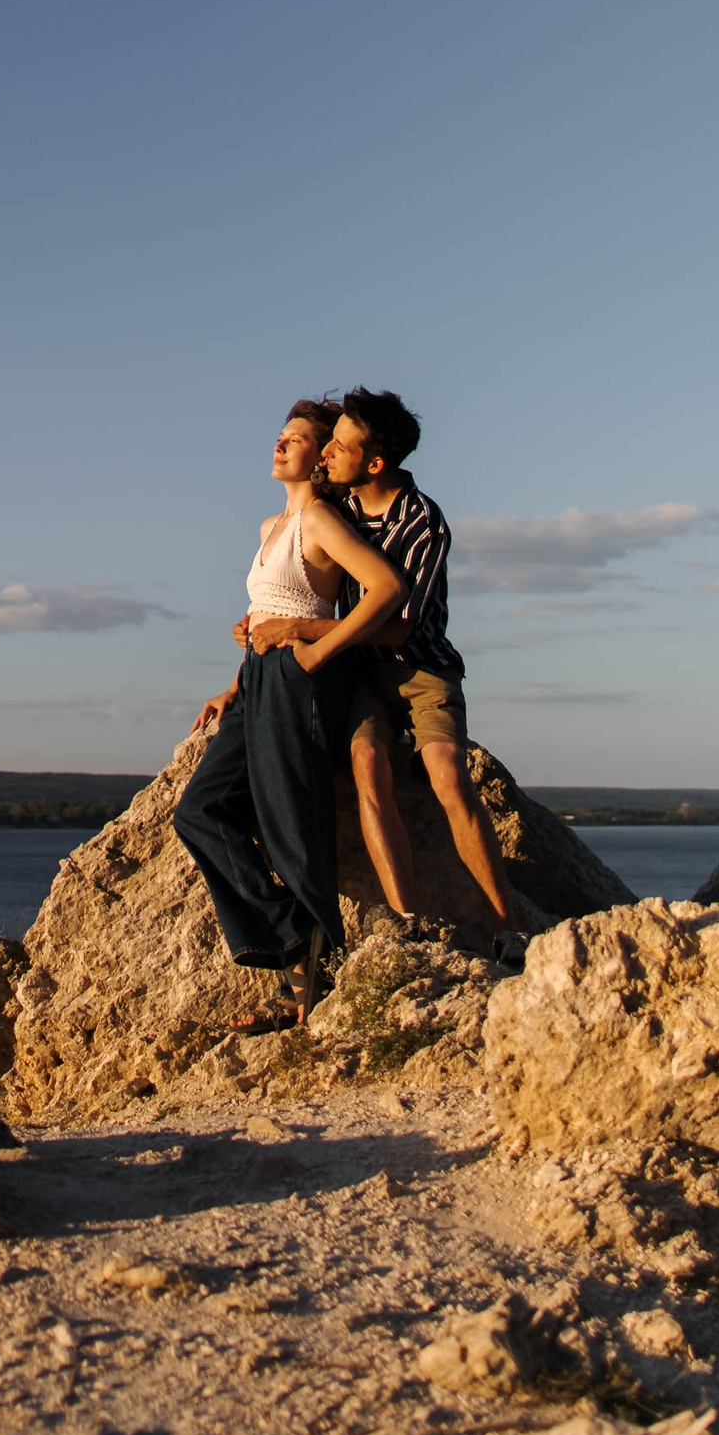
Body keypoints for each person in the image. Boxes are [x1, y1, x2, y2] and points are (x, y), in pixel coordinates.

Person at [246, 388, 531, 959]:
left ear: (375, 463)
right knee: (369, 767)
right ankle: (409, 922)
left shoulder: (424, 521)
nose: (326, 453)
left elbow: (399, 628)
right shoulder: (337, 511)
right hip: (358, 673)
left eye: (339, 446)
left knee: (448, 775)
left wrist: (304, 631)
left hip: (421, 669)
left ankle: (510, 927)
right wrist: (262, 624)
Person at [174, 400, 407, 1031]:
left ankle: (304, 991)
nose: (281, 444)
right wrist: (234, 682)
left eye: (298, 438)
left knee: (292, 824)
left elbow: (388, 589)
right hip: (258, 677)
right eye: (281, 435)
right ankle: (294, 932)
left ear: (321, 458)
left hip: (298, 677)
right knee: (200, 810)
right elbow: (270, 606)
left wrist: (317, 650)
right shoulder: (270, 526)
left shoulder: (322, 520)